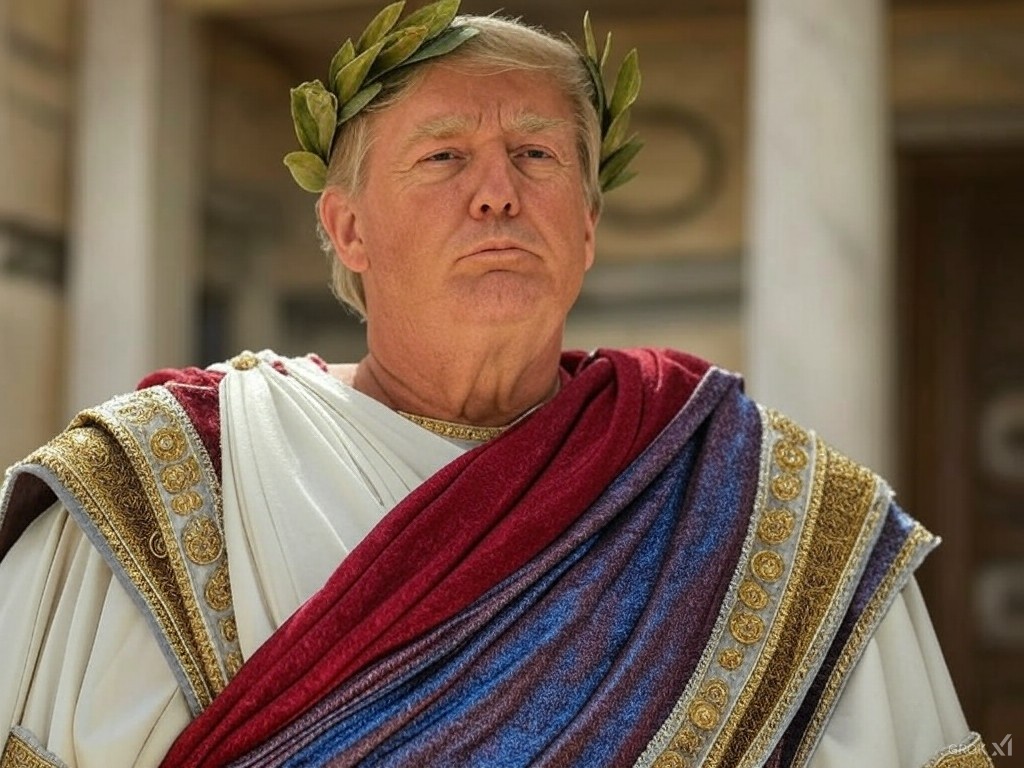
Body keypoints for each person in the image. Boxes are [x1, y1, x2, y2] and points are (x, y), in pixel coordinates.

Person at [0, 3, 993, 767]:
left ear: (588, 229)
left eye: (535, 153)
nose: (496, 191)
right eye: (443, 156)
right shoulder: (165, 483)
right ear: (348, 229)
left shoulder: (759, 500)